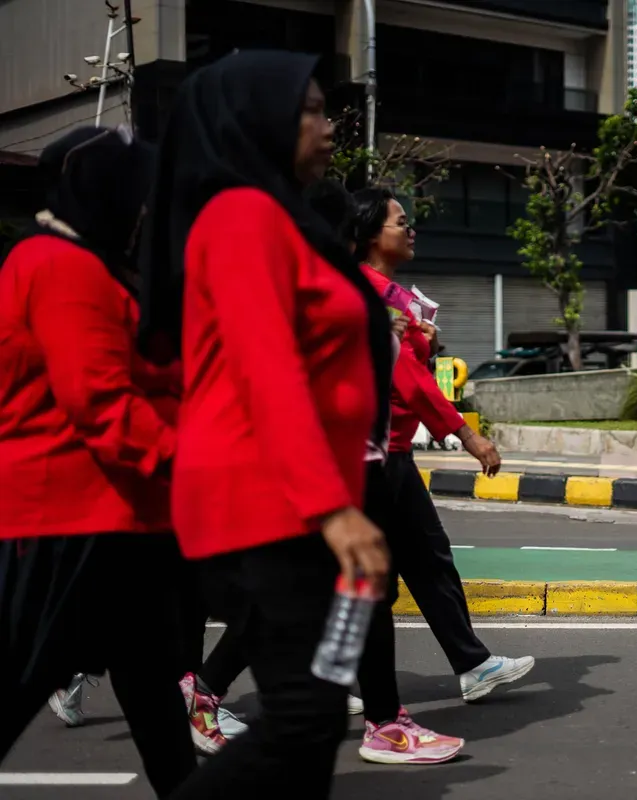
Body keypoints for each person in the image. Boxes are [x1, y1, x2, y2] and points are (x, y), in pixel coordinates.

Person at [136, 50, 393, 799]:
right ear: (257, 124)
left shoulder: (280, 218)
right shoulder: (241, 215)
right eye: (309, 111)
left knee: (311, 734)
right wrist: (334, 509)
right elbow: (264, 366)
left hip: (293, 501)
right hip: (260, 500)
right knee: (305, 719)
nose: (328, 125)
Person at [0, 125, 196, 796]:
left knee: (153, 696)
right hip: (67, 524)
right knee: (20, 682)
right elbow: (100, 401)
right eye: (138, 194)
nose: (147, 210)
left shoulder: (103, 268)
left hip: (119, 521)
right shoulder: (59, 266)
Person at [349, 188, 535, 715]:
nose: (411, 230)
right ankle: (218, 684)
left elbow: (410, 359)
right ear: (368, 234)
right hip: (375, 453)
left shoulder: (389, 292)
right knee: (366, 580)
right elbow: (405, 376)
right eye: (400, 222)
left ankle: (471, 664)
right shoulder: (369, 290)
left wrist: (424, 339)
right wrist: (465, 432)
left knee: (426, 563)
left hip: (393, 451)